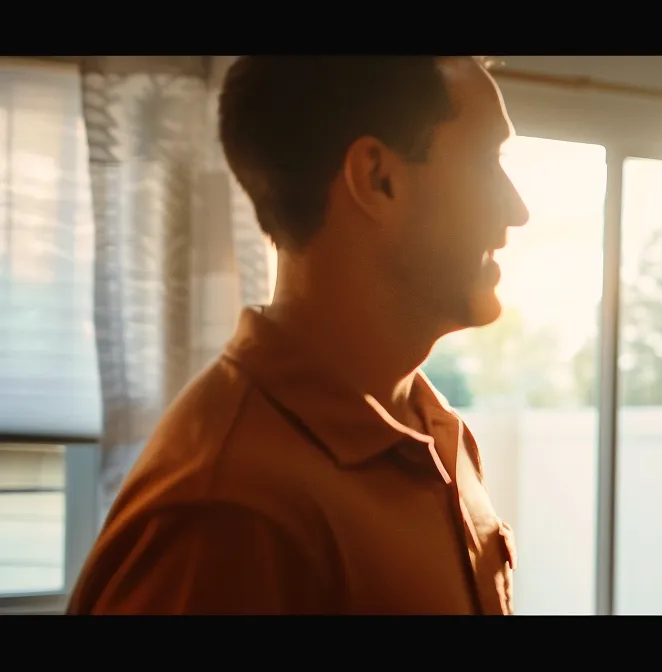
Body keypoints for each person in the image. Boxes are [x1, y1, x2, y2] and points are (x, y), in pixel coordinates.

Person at [66, 56, 530, 615]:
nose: (518, 210)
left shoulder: (436, 435)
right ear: (378, 178)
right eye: (488, 162)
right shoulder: (227, 513)